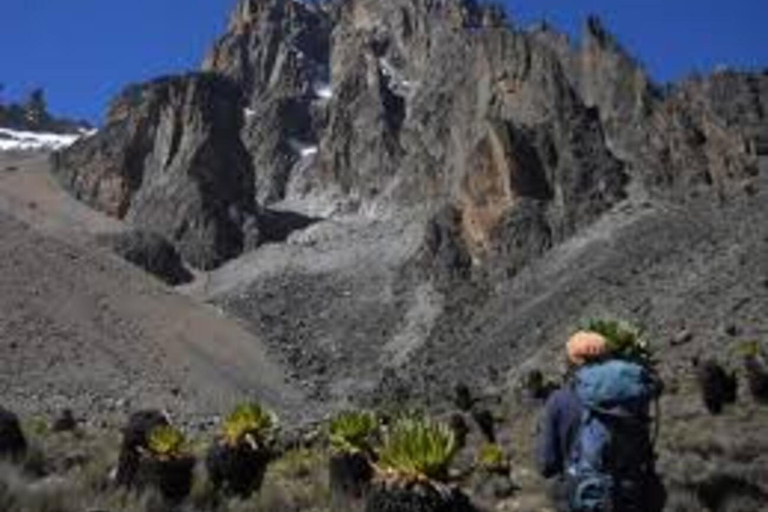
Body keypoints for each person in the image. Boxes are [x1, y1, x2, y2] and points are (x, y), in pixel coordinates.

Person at [537, 330, 665, 512]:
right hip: (632, 494)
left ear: (572, 361)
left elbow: (547, 463)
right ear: (607, 356)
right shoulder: (631, 393)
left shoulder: (559, 400)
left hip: (586, 496)